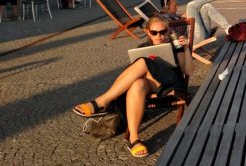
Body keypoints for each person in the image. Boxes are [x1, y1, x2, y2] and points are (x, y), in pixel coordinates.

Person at [73, 16, 193, 158]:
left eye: (163, 32)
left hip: (171, 83)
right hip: (151, 85)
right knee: (137, 84)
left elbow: (188, 71)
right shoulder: (143, 48)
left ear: (168, 32)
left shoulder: (175, 46)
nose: (159, 36)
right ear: (148, 32)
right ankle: (134, 139)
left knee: (143, 62)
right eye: (155, 32)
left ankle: (102, 101)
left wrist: (185, 49)